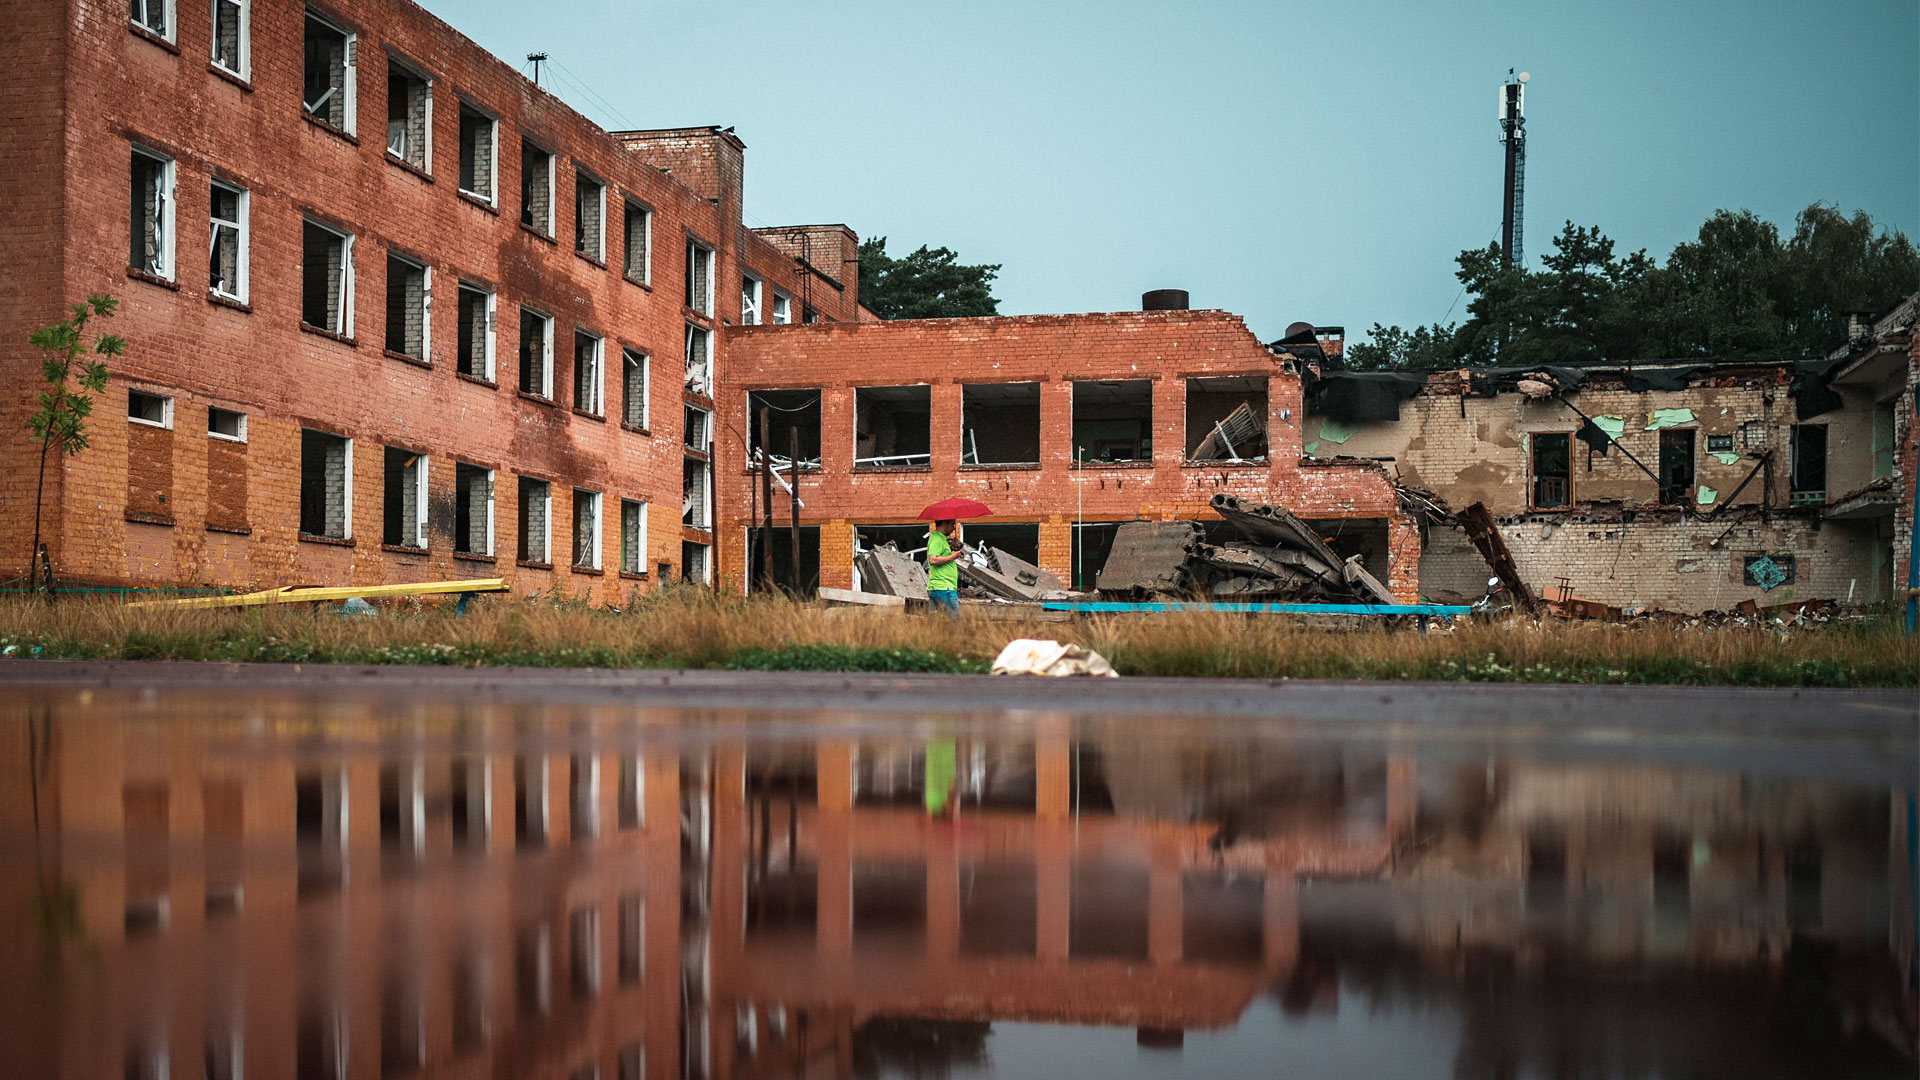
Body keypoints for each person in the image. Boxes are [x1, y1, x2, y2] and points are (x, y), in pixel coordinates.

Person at [925, 518, 962, 618]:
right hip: (944, 588)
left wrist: (952, 548)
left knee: (937, 624)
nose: (954, 528)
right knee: (956, 622)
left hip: (938, 587)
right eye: (952, 524)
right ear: (945, 524)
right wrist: (953, 556)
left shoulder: (940, 539)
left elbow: (941, 556)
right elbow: (933, 560)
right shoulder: (937, 539)